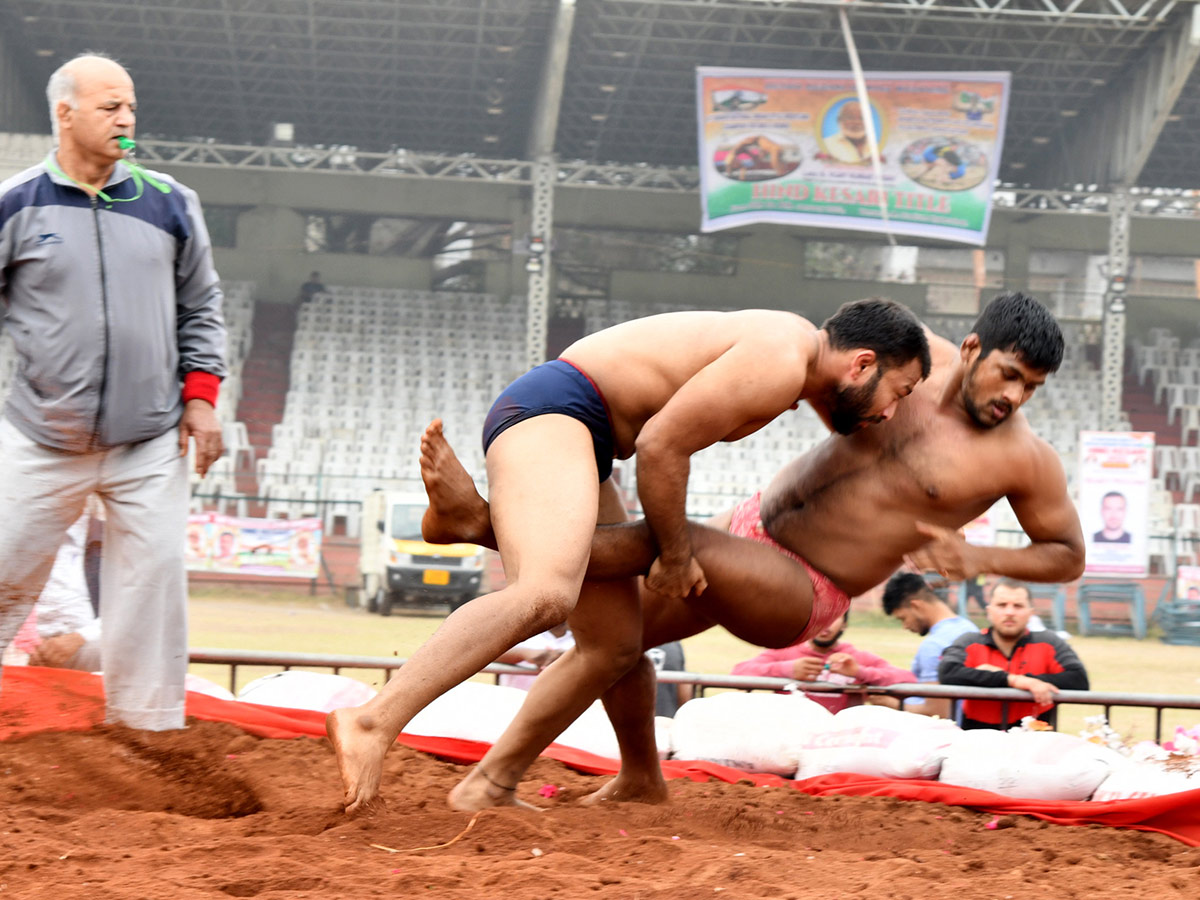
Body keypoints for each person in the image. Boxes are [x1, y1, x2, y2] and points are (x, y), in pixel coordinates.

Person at [417, 291, 1085, 809]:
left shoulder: (1025, 461)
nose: (1014, 396)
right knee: (613, 641)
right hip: (752, 526)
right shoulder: (907, 359)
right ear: (971, 348)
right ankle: (611, 779)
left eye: (1032, 387)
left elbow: (1066, 555)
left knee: (668, 538)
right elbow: (832, 366)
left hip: (806, 585)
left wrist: (983, 561)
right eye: (1008, 375)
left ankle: (489, 528)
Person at [327, 299, 931, 811]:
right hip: (558, 410)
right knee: (544, 595)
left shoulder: (788, 354)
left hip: (585, 435)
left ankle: (579, 778)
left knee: (613, 646)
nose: (889, 412)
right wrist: (673, 554)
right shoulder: (782, 357)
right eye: (898, 393)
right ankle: (373, 720)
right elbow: (662, 445)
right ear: (862, 363)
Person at [0, 54, 226, 731]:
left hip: (148, 439)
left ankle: (150, 737)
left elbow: (202, 305)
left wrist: (202, 397)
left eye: (130, 107)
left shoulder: (169, 201)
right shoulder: (14, 204)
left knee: (150, 593)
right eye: (109, 107)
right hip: (40, 436)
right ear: (64, 114)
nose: (126, 120)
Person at [939, 579, 1088, 730]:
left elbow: (1079, 680)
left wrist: (1026, 680)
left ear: (1031, 613)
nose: (1009, 612)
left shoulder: (1049, 642)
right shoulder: (969, 641)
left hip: (1036, 742)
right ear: (989, 611)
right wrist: (1013, 680)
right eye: (1002, 605)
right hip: (978, 741)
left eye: (1018, 606)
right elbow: (947, 673)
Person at [731, 611, 914, 713]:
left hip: (836, 740)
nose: (825, 625)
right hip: (788, 734)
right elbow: (739, 672)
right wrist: (785, 670)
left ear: (844, 624)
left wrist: (860, 673)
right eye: (820, 616)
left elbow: (908, 679)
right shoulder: (786, 653)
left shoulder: (855, 658)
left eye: (833, 617)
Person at [881, 572, 978, 718]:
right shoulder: (971, 629)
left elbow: (937, 713)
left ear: (916, 606)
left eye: (903, 618)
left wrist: (889, 704)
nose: (905, 626)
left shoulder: (934, 645)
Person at [495, 622, 575, 691]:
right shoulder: (522, 634)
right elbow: (493, 653)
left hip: (561, 703)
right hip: (514, 699)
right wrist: (524, 654)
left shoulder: (579, 643)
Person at [645, 641, 692, 718]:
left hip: (637, 722)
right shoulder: (674, 645)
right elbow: (684, 687)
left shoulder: (627, 645)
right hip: (669, 720)